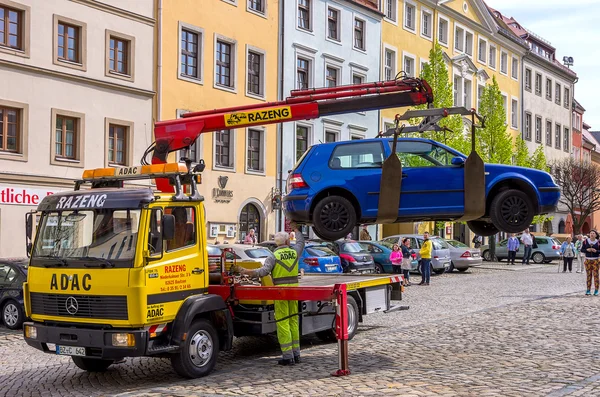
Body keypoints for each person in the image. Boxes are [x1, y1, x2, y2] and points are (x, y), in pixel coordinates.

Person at [237, 223, 305, 365]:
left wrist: (246, 271)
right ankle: (297, 354)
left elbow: (262, 272)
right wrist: (297, 229)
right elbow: (301, 242)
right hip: (294, 291)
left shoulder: (273, 256)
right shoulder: (294, 252)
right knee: (293, 321)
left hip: (280, 293)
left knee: (283, 323)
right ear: (287, 241)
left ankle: (288, 357)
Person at [581, 230, 600, 296]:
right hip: (588, 260)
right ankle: (588, 290)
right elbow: (582, 249)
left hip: (596, 260)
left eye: (593, 233)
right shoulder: (585, 241)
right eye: (591, 233)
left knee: (596, 275)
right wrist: (587, 250)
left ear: (596, 235)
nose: (592, 234)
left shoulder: (598, 242)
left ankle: (596, 290)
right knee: (589, 275)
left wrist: (596, 251)